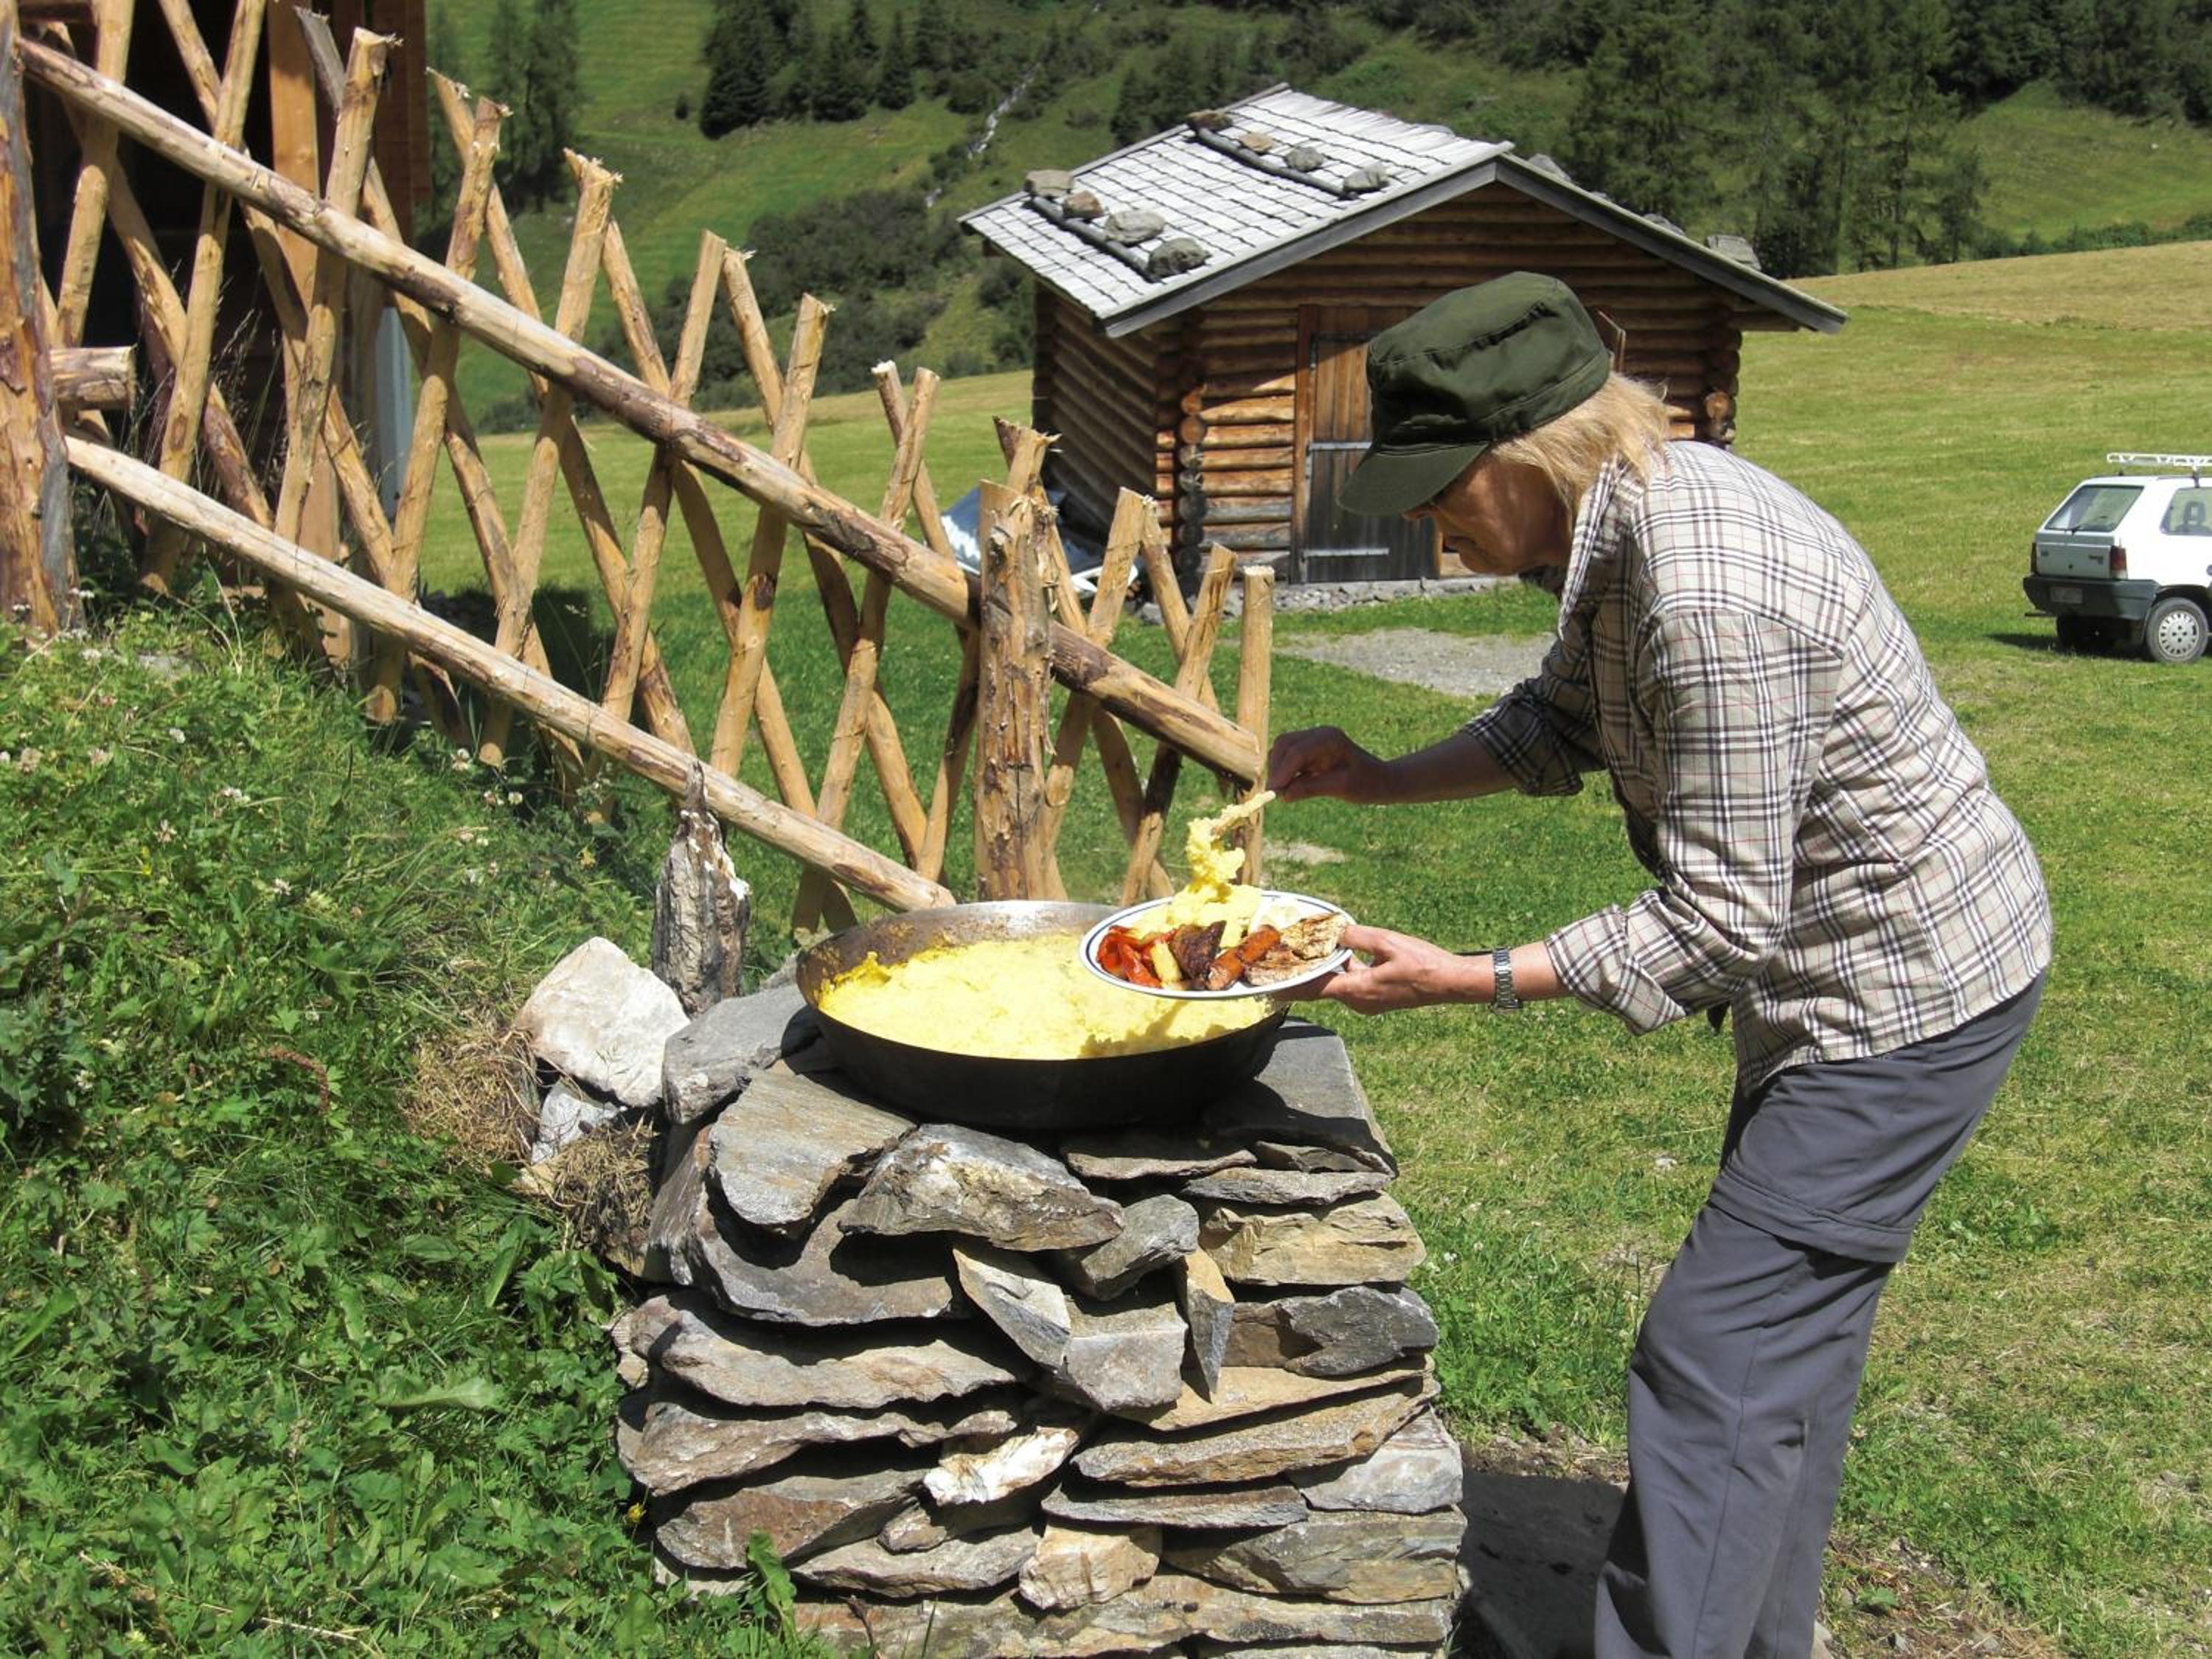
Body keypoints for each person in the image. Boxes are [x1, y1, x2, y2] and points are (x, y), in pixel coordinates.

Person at [1268, 272, 2051, 1659]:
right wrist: (1377, 778)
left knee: (1714, 1358)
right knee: (1773, 1361)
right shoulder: (1625, 527)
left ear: (1531, 453)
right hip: (1843, 987)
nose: (1434, 529)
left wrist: (1468, 976)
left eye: (1445, 494)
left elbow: (1719, 922)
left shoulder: (1704, 593)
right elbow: (1559, 721)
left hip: (1905, 998)